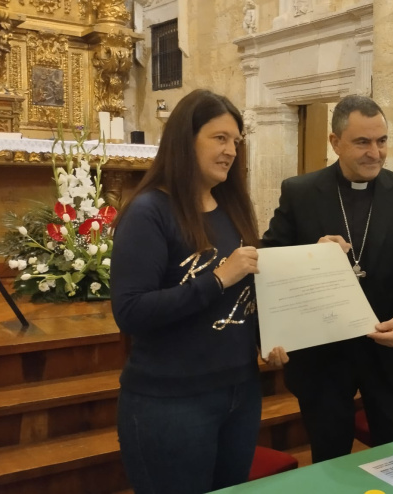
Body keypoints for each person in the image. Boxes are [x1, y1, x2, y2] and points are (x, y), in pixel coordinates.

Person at [111, 89, 286, 493]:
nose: (230, 151)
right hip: (171, 400)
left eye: (236, 142)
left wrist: (271, 336)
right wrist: (218, 278)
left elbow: (244, 297)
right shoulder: (149, 212)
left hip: (239, 394)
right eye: (219, 138)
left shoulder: (231, 209)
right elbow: (131, 311)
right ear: (185, 140)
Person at [262, 94, 393, 463]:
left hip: (392, 356)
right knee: (329, 462)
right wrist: (311, 253)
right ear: (335, 142)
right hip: (324, 361)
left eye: (382, 141)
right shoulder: (300, 192)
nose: (375, 152)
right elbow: (268, 263)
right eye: (362, 142)